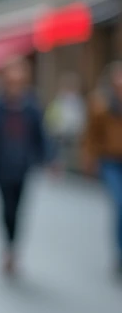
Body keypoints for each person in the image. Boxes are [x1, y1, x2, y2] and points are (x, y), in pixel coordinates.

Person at [0, 58, 49, 277]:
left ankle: (12, 247)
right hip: (1, 165)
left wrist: (48, 159)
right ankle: (8, 247)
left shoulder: (31, 107)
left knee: (18, 208)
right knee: (6, 208)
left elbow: (40, 136)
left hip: (22, 165)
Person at [83, 61, 122, 278]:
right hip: (110, 161)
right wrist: (90, 158)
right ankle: (119, 252)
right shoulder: (101, 105)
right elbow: (91, 135)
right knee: (120, 203)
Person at [45, 71, 86, 170]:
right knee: (61, 155)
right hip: (60, 135)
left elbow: (82, 118)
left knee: (71, 156)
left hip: (74, 135)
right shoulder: (58, 102)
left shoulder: (78, 102)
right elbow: (51, 118)